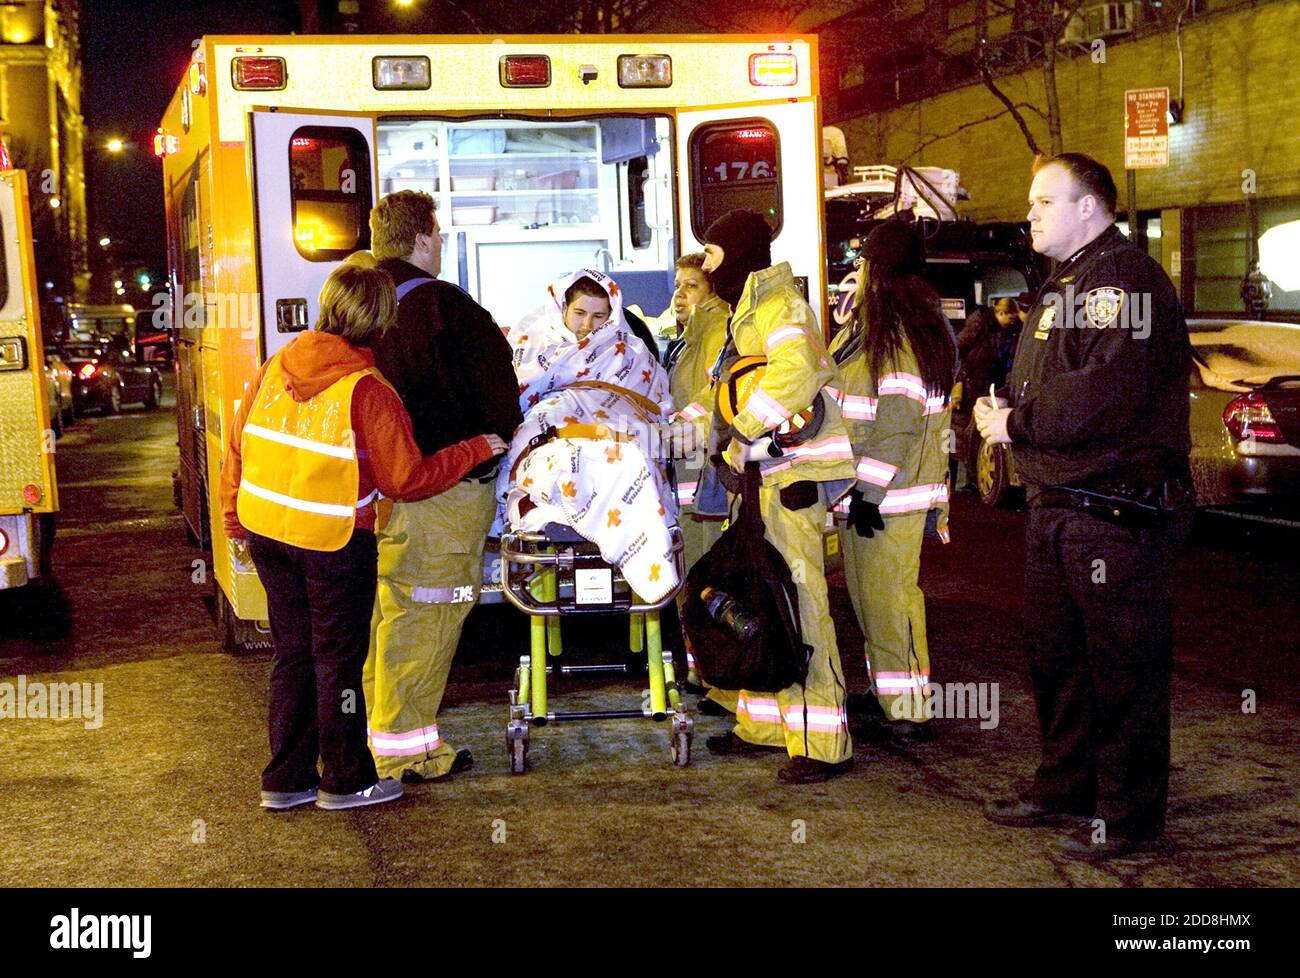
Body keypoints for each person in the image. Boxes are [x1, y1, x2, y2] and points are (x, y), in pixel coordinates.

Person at [220, 255, 507, 811]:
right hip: (333, 541)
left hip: (267, 534)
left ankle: (285, 779)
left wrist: (234, 521)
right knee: (338, 660)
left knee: (293, 655)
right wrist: (475, 448)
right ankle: (348, 779)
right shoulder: (366, 388)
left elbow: (238, 449)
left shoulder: (277, 365)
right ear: (380, 321)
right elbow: (406, 478)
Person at [975, 152, 1194, 860]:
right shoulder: (1067, 280)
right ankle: (1065, 784)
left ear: (1089, 208)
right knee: (1059, 659)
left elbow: (1102, 392)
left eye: (1044, 201)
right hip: (1059, 503)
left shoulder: (1123, 283)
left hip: (1114, 511)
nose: (1029, 213)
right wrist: (1008, 410)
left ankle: (1128, 818)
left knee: (1124, 668)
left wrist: (1018, 424)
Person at [694, 209, 858, 784]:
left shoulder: (781, 306)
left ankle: (820, 744)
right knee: (760, 602)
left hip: (789, 481)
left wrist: (743, 428)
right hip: (761, 482)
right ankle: (763, 726)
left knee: (801, 605)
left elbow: (794, 375)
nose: (706, 265)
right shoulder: (751, 309)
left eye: (712, 254)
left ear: (737, 253)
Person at [364, 191, 523, 783]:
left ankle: (382, 734)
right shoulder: (447, 308)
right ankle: (406, 753)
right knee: (430, 616)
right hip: (443, 490)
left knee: (393, 614)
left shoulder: (358, 301)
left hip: (378, 494)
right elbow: (498, 400)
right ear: (425, 239)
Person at [830, 220, 957, 742]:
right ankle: (889, 691)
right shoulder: (878, 325)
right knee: (869, 600)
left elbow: (899, 422)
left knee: (891, 600)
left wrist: (868, 491)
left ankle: (909, 707)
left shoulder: (897, 333)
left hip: (888, 496)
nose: (856, 272)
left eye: (863, 263)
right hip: (869, 492)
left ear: (877, 270)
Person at [662, 253, 734, 712]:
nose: (680, 294)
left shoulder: (714, 333)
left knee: (710, 581)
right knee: (691, 580)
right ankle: (701, 672)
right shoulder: (689, 340)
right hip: (689, 488)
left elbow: (712, 403)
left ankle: (718, 677)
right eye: (678, 285)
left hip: (706, 488)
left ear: (713, 292)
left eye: (692, 285)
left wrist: (666, 434)